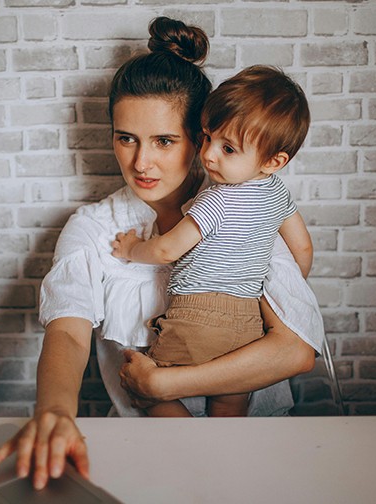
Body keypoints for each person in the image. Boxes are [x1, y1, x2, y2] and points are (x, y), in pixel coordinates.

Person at [0, 16, 324, 490]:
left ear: (201, 137)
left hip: (255, 451)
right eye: (126, 138)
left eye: (164, 141)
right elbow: (67, 333)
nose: (141, 162)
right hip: (147, 454)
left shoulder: (244, 209)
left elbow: (294, 351)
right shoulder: (93, 228)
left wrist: (164, 384)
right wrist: (55, 412)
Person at [110, 65, 312, 418]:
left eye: (228, 148)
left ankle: (187, 443)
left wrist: (131, 249)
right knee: (229, 399)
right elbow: (303, 249)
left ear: (273, 160)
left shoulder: (215, 201)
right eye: (207, 138)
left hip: (196, 317)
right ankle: (223, 451)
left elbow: (166, 249)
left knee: (151, 392)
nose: (209, 155)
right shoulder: (278, 195)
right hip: (247, 321)